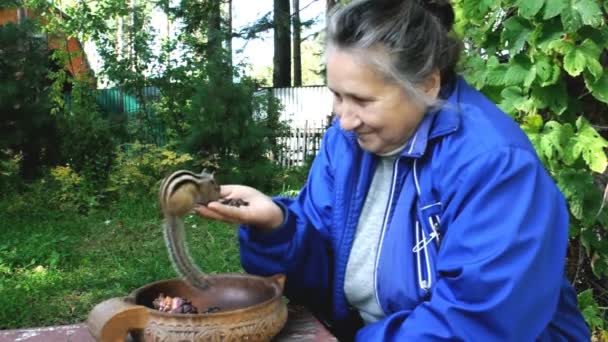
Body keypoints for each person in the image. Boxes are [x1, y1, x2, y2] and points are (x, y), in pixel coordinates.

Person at [197, 0, 591, 340]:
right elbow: (326, 269)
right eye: (336, 95)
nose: (344, 118)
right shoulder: (347, 142)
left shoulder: (495, 165)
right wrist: (277, 226)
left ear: (428, 84)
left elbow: (478, 323)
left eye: (362, 100)